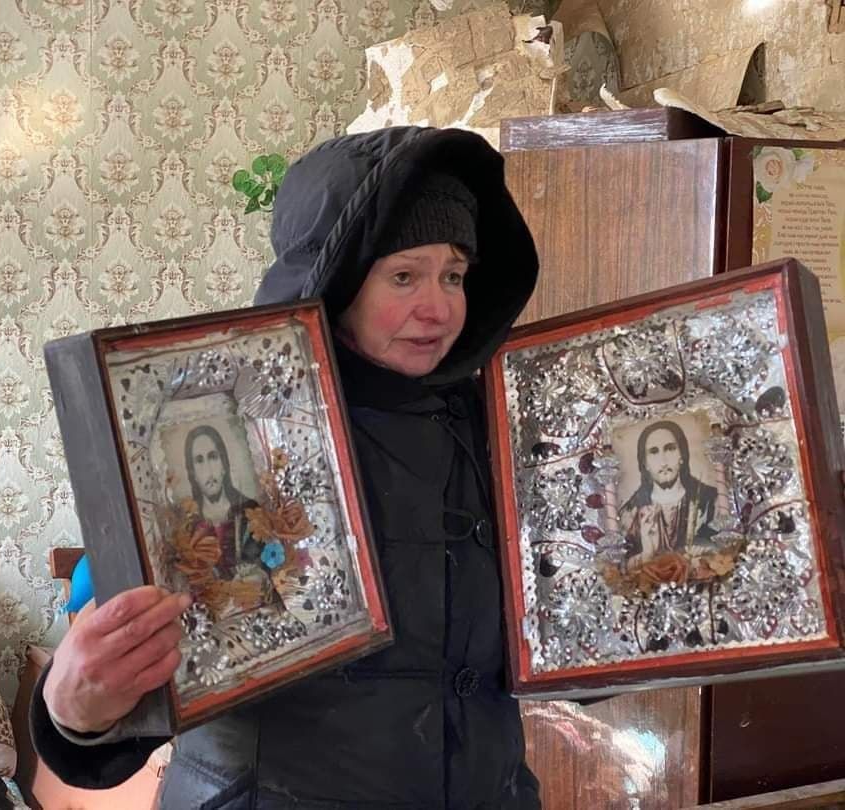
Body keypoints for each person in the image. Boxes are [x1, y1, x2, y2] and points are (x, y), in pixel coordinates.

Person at [30, 126, 541, 808]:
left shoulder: (500, 422)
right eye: (404, 275)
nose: (438, 307)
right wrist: (74, 713)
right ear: (338, 282)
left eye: (454, 275)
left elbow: (560, 625)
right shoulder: (231, 424)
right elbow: (122, 661)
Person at [619, 420, 719, 566]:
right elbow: (621, 568)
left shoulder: (709, 502)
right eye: (654, 452)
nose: (663, 461)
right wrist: (646, 555)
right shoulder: (630, 513)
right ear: (645, 463)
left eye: (670, 449)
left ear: (682, 455)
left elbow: (723, 552)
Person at [182, 424, 261, 580]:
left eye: (213, 457)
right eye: (199, 461)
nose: (209, 470)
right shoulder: (187, 525)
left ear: (224, 464)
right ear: (193, 473)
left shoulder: (251, 511)